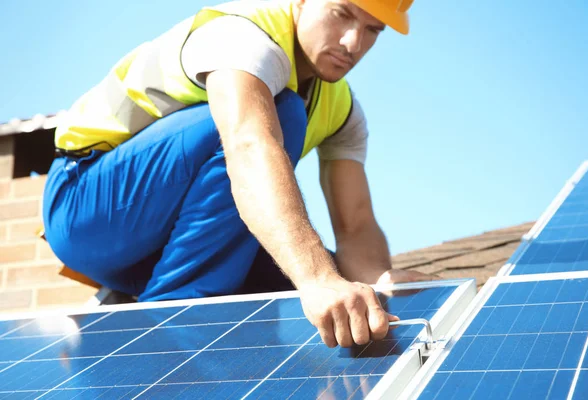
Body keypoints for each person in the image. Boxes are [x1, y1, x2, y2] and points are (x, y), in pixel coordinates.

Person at [43, 0, 436, 348]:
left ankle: (166, 317)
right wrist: (317, 279)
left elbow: (355, 226)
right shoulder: (242, 38)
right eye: (342, 13)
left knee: (315, 301)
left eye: (373, 30)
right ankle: (174, 324)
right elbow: (249, 146)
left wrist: (380, 281)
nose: (353, 43)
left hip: (167, 244)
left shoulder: (343, 110)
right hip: (86, 211)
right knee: (283, 121)